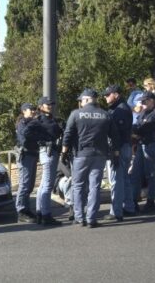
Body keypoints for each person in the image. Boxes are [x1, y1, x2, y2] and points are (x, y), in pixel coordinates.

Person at [61, 89, 118, 228]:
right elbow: (115, 136)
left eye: (81, 100)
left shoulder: (76, 114)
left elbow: (67, 134)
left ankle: (79, 217)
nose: (80, 102)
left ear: (86, 99)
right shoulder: (105, 115)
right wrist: (116, 154)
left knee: (78, 185)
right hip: (100, 155)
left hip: (81, 154)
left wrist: (63, 153)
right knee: (95, 187)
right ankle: (91, 218)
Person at [103, 85, 135, 221]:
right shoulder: (120, 108)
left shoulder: (120, 110)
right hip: (124, 147)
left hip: (119, 148)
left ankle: (116, 211)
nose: (105, 97)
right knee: (124, 179)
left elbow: (117, 134)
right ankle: (129, 207)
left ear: (115, 94)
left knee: (116, 180)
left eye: (107, 94)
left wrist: (114, 151)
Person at [130, 92, 155, 213]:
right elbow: (136, 125)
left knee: (150, 175)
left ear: (152, 101)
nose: (143, 103)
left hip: (150, 145)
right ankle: (134, 201)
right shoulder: (144, 112)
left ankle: (151, 201)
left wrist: (133, 132)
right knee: (136, 174)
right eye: (142, 101)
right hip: (141, 145)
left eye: (145, 101)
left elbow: (142, 129)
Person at [34, 97, 63, 226]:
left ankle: (40, 212)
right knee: (47, 185)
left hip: (49, 151)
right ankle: (46, 215)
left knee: (43, 185)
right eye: (47, 104)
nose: (50, 106)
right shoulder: (41, 120)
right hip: (48, 152)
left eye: (51, 104)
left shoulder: (50, 119)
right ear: (40, 106)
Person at [15, 102, 42, 222]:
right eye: (30, 110)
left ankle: (26, 209)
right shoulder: (22, 123)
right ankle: (21, 211)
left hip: (32, 154)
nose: (33, 111)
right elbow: (24, 139)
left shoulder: (33, 123)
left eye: (34, 109)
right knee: (24, 184)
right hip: (25, 155)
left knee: (30, 185)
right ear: (24, 111)